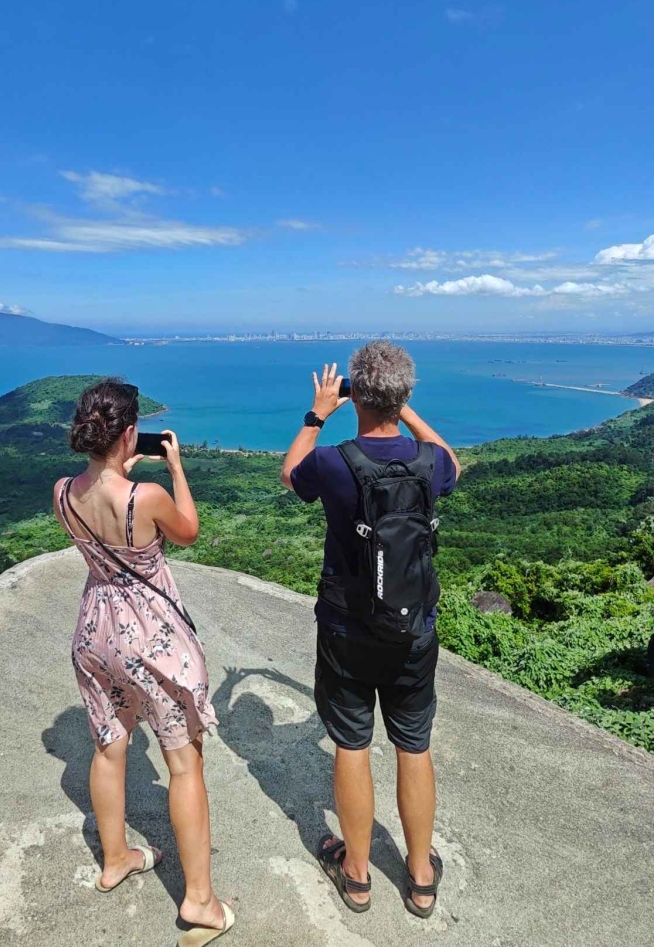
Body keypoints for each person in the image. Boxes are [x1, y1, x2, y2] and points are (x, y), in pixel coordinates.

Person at [280, 341, 461, 918]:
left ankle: (356, 875)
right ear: (404, 395)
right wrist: (402, 407)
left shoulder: (334, 462)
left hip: (346, 629)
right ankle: (420, 875)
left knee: (352, 743)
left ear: (354, 393)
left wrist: (318, 413)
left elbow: (291, 473)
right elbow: (447, 453)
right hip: (414, 631)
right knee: (414, 743)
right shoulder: (430, 464)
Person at [53, 379, 235, 946]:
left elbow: (97, 506)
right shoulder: (145, 496)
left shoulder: (62, 491)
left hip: (95, 630)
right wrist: (176, 468)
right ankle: (199, 902)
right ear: (130, 432)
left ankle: (116, 859)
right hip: (151, 638)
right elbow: (190, 532)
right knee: (184, 765)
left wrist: (118, 463)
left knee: (111, 747)